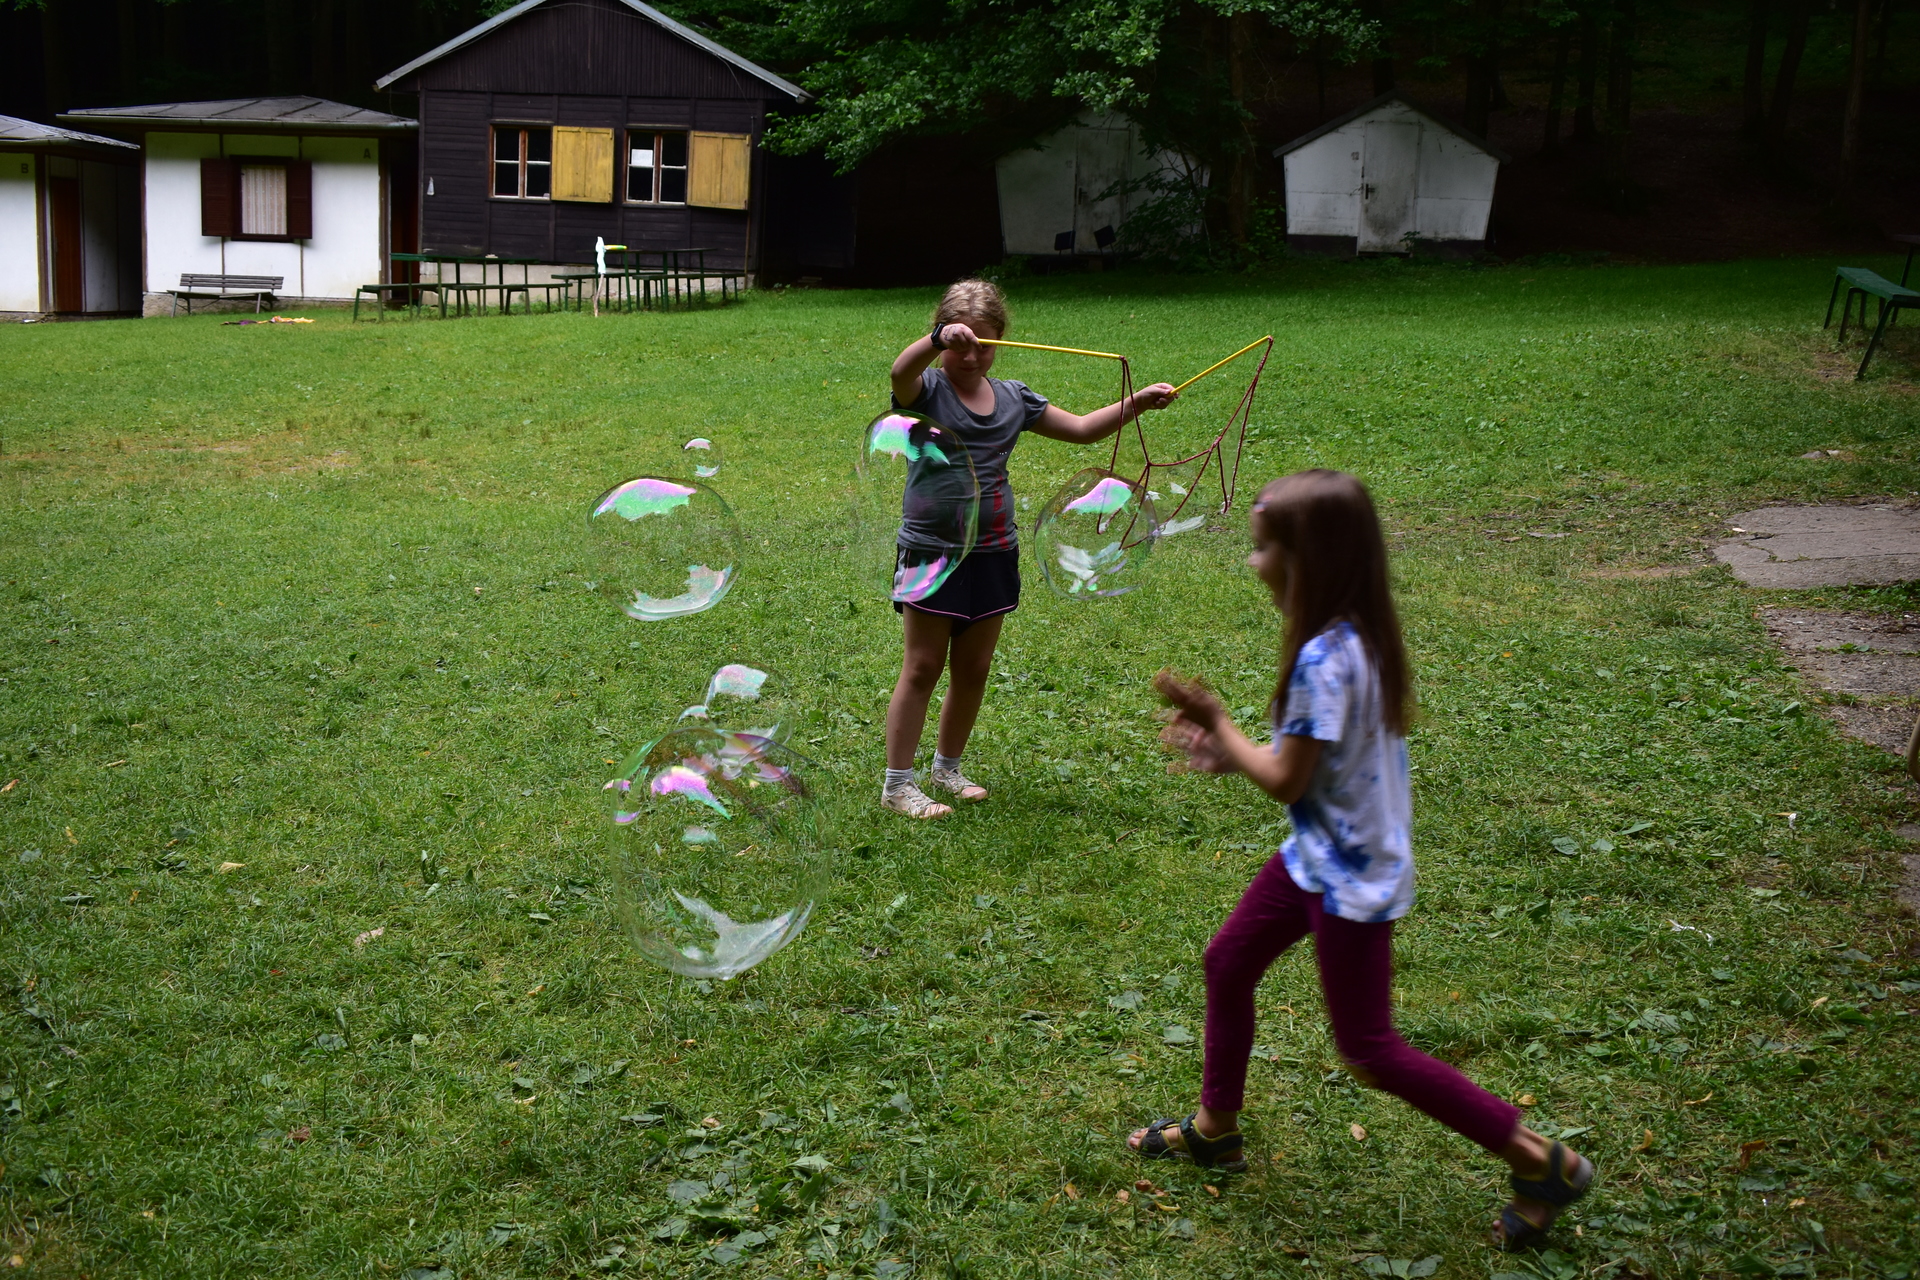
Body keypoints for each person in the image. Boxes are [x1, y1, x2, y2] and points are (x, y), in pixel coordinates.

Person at [1138, 469, 1593, 1250]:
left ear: (1304, 562)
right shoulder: (1358, 637)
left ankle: (1540, 1160)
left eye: (1262, 549)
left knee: (1369, 1050)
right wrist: (1231, 754)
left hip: (1348, 876)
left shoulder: (1324, 659)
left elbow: (1286, 779)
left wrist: (1219, 723)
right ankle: (1216, 1128)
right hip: (1318, 854)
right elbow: (1305, 769)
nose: (1252, 563)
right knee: (1228, 963)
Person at [881, 279, 1177, 818]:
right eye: (960, 344)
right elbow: (900, 373)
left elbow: (1082, 429)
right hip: (932, 549)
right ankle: (898, 785)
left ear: (1003, 341)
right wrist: (936, 338)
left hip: (995, 549)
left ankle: (947, 769)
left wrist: (1137, 403)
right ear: (942, 339)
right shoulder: (926, 391)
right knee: (922, 667)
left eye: (985, 344)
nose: (971, 356)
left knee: (974, 667)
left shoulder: (1014, 398)